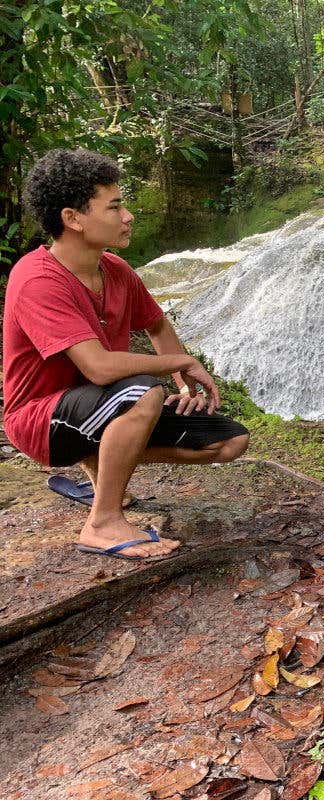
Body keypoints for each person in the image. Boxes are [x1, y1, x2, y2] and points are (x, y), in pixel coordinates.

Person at [2, 148, 250, 560]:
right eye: (115, 206)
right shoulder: (36, 279)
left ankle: (102, 471)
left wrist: (182, 384)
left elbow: (156, 325)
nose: (128, 215)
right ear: (73, 218)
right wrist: (180, 363)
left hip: (100, 409)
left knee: (228, 441)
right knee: (141, 393)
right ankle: (102, 523)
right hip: (40, 418)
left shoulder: (115, 269)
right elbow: (98, 368)